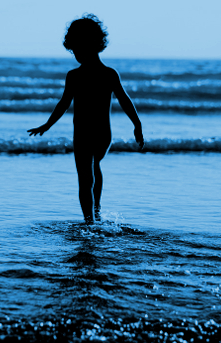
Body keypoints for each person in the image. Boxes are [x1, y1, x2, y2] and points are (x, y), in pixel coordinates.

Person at [27, 14, 144, 224]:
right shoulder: (107, 73)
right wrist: (137, 124)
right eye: (73, 50)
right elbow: (64, 104)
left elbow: (123, 100)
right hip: (103, 135)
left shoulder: (80, 75)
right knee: (94, 168)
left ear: (93, 45)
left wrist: (137, 125)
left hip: (84, 134)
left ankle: (89, 222)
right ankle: (96, 214)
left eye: (78, 48)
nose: (76, 54)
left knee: (85, 178)